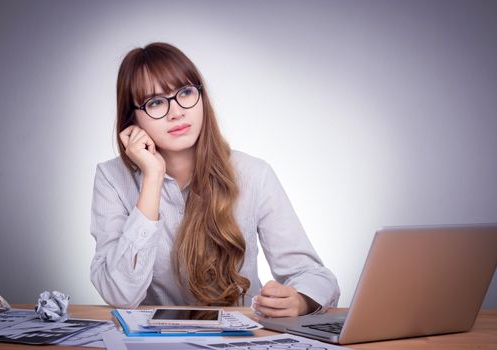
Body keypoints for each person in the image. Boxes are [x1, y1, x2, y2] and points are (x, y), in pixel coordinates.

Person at [90, 42, 339, 317]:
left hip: (238, 341)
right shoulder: (112, 178)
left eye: (185, 92)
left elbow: (315, 276)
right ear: (132, 118)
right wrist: (153, 177)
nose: (176, 112)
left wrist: (300, 301)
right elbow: (120, 294)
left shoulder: (253, 174)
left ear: (201, 96)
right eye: (156, 102)